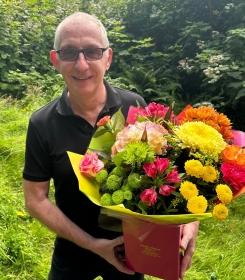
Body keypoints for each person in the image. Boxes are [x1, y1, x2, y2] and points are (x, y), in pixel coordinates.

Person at [22, 11, 199, 280]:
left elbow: (175, 170)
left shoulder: (136, 106)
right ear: (55, 60)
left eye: (92, 51)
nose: (81, 65)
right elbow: (36, 200)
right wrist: (93, 245)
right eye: (69, 52)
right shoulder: (42, 123)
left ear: (108, 58)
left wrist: (190, 218)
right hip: (73, 250)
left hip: (131, 247)